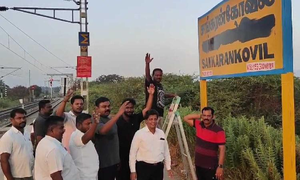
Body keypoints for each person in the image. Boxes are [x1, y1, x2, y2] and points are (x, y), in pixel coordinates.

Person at [116, 84, 155, 180]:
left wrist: (151, 95)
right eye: (127, 108)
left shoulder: (136, 118)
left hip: (135, 154)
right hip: (121, 155)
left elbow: (147, 109)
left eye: (131, 108)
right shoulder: (117, 120)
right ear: (122, 108)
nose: (129, 110)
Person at [183, 107, 226, 180]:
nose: (206, 118)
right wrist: (199, 116)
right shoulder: (198, 124)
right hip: (198, 164)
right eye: (204, 115)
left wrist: (220, 167)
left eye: (208, 116)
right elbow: (186, 118)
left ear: (213, 116)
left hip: (210, 167)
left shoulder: (219, 131)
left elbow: (222, 150)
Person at [129, 109, 172, 180]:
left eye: (155, 119)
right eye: (150, 119)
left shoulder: (161, 133)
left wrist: (168, 167)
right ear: (146, 121)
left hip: (158, 168)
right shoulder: (139, 134)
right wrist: (133, 171)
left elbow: (166, 151)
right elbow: (132, 153)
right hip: (144, 168)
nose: (153, 121)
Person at [34, 116, 80, 180]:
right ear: (52, 130)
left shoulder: (45, 142)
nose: (64, 130)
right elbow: (56, 176)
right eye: (61, 128)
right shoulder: (53, 148)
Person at [94, 97, 128, 180]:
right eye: (104, 107)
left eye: (109, 106)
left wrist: (117, 159)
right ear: (96, 108)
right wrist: (119, 113)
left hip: (114, 163)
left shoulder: (110, 119)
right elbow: (103, 130)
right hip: (103, 165)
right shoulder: (95, 121)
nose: (107, 108)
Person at [0, 108, 34, 180]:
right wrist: (10, 178)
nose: (22, 120)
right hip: (16, 177)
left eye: (24, 117)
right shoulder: (8, 137)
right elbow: (3, 160)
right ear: (11, 120)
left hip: (28, 174)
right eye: (19, 118)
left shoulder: (26, 133)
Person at [144, 53, 176, 127]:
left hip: (160, 114)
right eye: (157, 75)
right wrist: (147, 64)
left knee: (158, 134)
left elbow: (162, 95)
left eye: (160, 75)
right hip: (151, 115)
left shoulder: (160, 86)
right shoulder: (151, 84)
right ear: (153, 76)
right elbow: (147, 76)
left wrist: (173, 95)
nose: (159, 77)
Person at [69, 113, 100, 180]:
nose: (90, 126)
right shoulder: (76, 135)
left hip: (91, 174)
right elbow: (85, 139)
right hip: (83, 175)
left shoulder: (83, 134)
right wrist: (95, 124)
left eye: (91, 123)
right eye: (87, 124)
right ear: (79, 125)